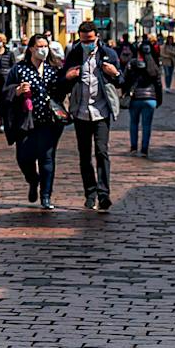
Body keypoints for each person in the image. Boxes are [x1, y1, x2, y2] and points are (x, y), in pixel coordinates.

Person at [56, 20, 120, 211]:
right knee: (84, 155)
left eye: (90, 40)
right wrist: (67, 78)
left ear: (97, 37)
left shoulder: (107, 54)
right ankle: (90, 194)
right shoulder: (74, 54)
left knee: (101, 152)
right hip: (81, 112)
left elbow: (122, 79)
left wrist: (115, 73)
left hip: (101, 112)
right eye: (83, 40)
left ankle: (104, 194)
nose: (87, 43)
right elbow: (62, 81)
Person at [9, 34, 65, 211]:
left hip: (49, 121)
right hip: (27, 121)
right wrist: (17, 91)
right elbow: (6, 90)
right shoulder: (20, 69)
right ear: (31, 48)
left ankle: (46, 196)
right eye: (39, 46)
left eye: (45, 46)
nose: (43, 49)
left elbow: (61, 91)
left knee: (47, 158)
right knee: (24, 157)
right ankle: (33, 180)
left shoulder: (53, 68)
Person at [122, 40, 163, 155]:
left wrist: (125, 93)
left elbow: (125, 80)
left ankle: (134, 147)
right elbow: (158, 84)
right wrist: (159, 99)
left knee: (133, 123)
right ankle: (144, 148)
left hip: (135, 98)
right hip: (150, 99)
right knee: (146, 125)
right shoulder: (154, 65)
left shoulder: (132, 63)